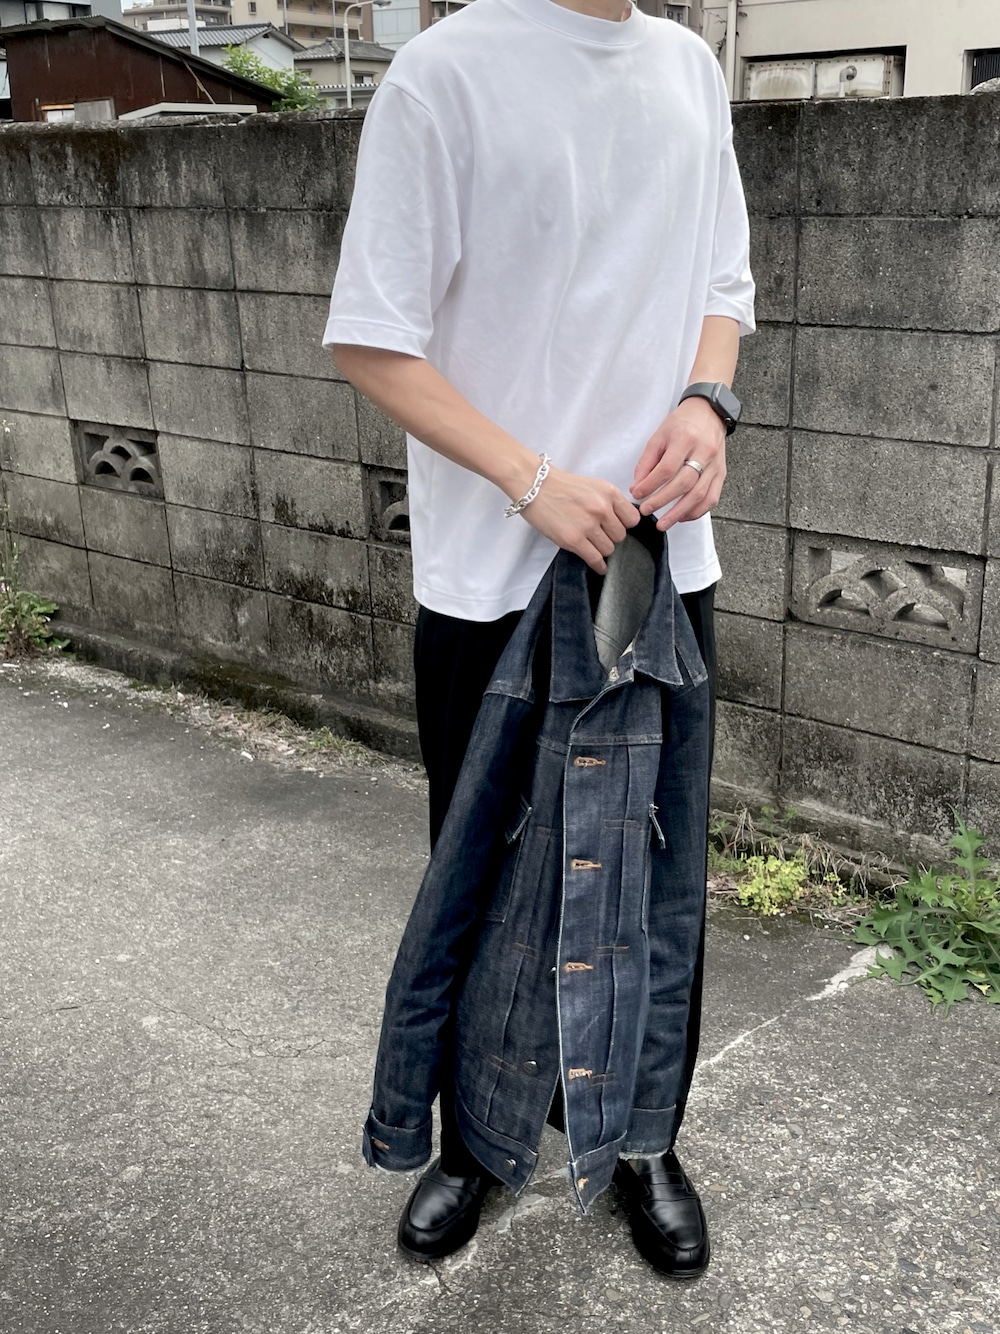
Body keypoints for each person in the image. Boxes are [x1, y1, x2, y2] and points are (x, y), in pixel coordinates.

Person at [325, 0, 755, 1279]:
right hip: (492, 573)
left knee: (655, 871)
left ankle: (642, 1136)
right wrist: (533, 480)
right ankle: (476, 1140)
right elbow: (372, 337)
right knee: (484, 875)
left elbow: (721, 286)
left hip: (658, 561)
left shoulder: (688, 67)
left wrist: (707, 400)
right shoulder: (442, 74)